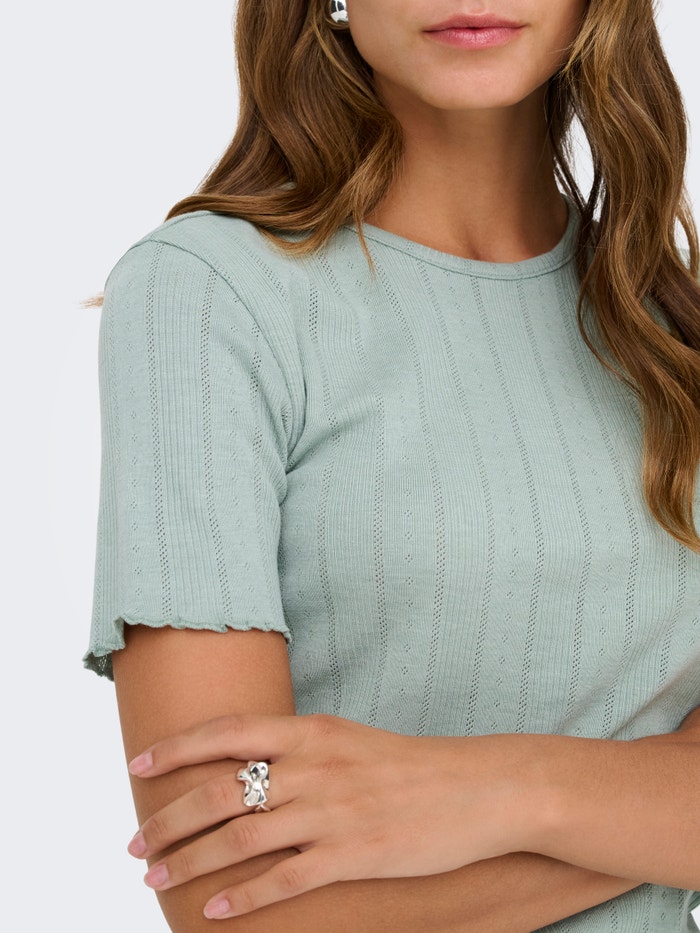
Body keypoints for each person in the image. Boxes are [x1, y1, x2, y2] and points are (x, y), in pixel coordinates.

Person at [83, 0, 700, 930]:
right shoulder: (209, 297)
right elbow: (238, 905)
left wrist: (509, 790)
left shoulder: (673, 326)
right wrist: (651, 811)